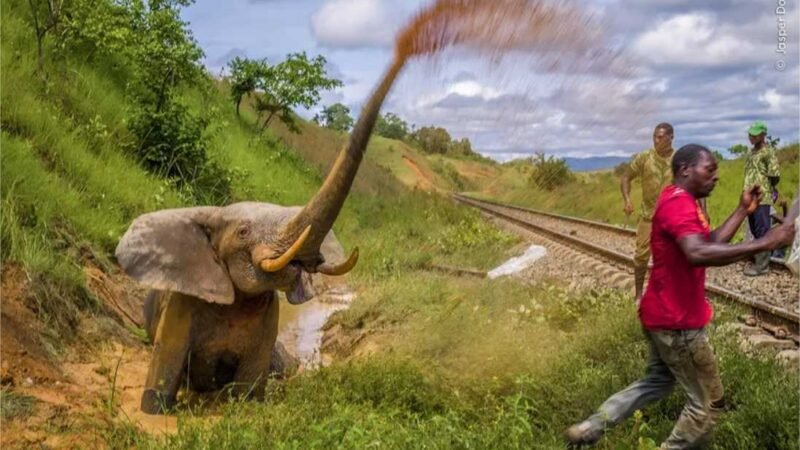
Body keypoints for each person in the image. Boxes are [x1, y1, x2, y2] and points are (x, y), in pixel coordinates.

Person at [565, 145, 795, 449]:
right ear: (686, 169)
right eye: (709, 169)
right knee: (709, 406)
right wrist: (766, 242)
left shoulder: (681, 200)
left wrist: (742, 211)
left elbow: (707, 241)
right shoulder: (678, 204)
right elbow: (698, 253)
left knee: (657, 382)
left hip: (661, 315)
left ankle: (589, 428)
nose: (715, 177)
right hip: (678, 325)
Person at [621, 123, 675, 300]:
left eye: (660, 137)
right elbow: (626, 177)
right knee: (641, 255)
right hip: (648, 216)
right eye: (654, 137)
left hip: (670, 217)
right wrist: (627, 199)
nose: (656, 141)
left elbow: (694, 183)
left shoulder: (678, 159)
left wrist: (701, 209)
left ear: (670, 138)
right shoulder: (644, 157)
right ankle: (638, 295)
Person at [742, 121, 780, 276]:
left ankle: (762, 266)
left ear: (763, 135)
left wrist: (768, 189)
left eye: (755, 134)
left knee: (762, 230)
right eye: (750, 133)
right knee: (754, 229)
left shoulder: (768, 152)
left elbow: (775, 175)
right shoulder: (751, 153)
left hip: (762, 197)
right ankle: (758, 260)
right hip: (749, 197)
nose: (751, 136)